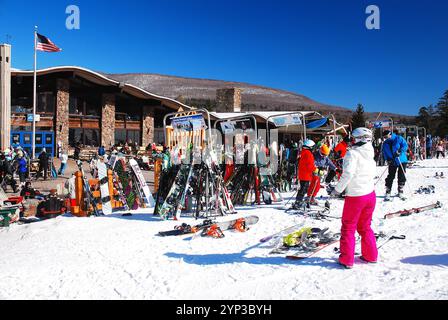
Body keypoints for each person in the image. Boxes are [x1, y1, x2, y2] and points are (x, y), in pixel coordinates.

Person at [330, 128, 377, 269]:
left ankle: (346, 259)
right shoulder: (370, 152)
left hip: (356, 196)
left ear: (359, 139)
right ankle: (371, 255)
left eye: (353, 138)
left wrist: (337, 190)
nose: (352, 140)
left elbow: (348, 174)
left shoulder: (353, 154)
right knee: (364, 226)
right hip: (370, 194)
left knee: (348, 227)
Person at [382, 130, 408, 200]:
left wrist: (400, 151)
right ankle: (388, 191)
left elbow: (405, 145)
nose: (385, 138)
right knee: (390, 176)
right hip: (392, 161)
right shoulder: (385, 143)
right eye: (384, 137)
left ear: (390, 134)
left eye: (386, 137)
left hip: (401, 160)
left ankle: (400, 190)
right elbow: (384, 152)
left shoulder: (398, 138)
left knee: (401, 175)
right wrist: (387, 159)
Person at [293, 139, 316, 209]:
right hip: (306, 174)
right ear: (310, 147)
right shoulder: (308, 154)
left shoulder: (303, 152)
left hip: (303, 173)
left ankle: (298, 200)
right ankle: (298, 201)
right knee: (303, 189)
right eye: (313, 147)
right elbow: (310, 165)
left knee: (303, 188)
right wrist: (316, 170)